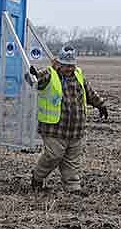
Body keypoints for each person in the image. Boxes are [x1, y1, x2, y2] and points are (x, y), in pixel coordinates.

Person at [27, 45, 109, 193]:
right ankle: (37, 179)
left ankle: (73, 187)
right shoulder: (49, 74)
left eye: (71, 65)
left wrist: (100, 105)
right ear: (58, 63)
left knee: (72, 161)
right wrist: (32, 75)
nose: (69, 69)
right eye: (66, 65)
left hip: (76, 129)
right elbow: (35, 81)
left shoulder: (78, 74)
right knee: (53, 156)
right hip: (54, 128)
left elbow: (90, 93)